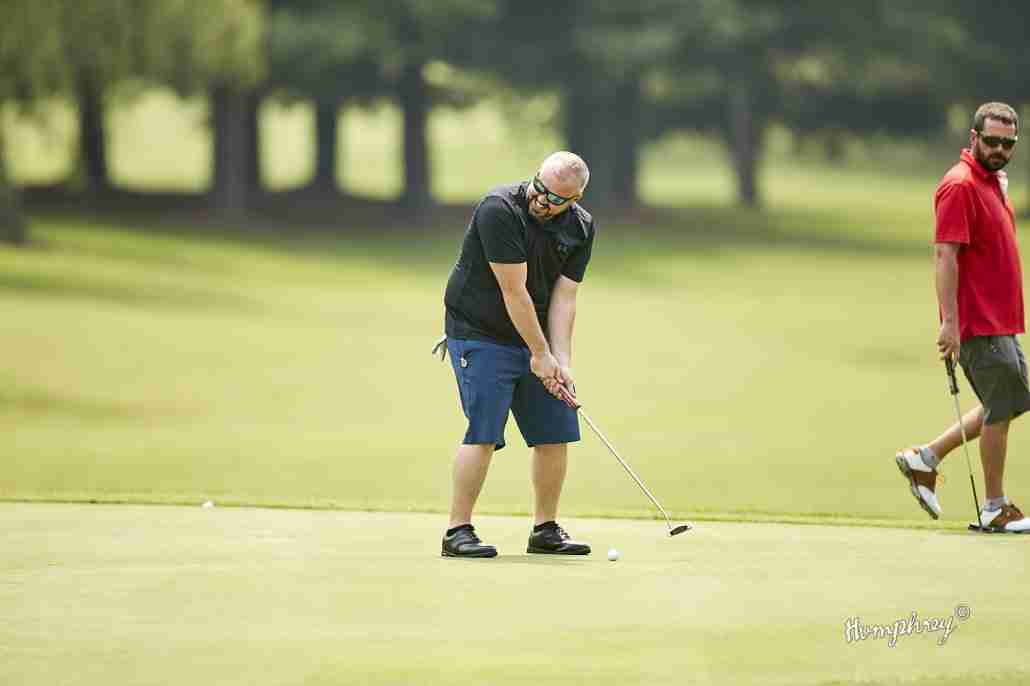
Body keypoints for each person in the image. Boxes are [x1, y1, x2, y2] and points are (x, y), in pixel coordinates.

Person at [435, 151, 596, 557]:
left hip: (535, 336)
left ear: (574, 199)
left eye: (554, 198)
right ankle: (457, 531)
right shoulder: (499, 209)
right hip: (480, 331)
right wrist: (540, 355)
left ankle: (545, 529)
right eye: (539, 188)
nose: (541, 199)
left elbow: (565, 297)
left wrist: (561, 360)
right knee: (485, 432)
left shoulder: (581, 227)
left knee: (555, 432)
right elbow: (514, 291)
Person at [896, 101, 1030, 533]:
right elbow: (945, 255)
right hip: (979, 321)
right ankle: (994, 507)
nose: (999, 149)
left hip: (1001, 320)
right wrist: (950, 322)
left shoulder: (990, 182)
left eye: (1007, 143)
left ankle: (925, 459)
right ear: (973, 138)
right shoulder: (960, 185)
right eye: (991, 141)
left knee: (1010, 400)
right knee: (1001, 407)